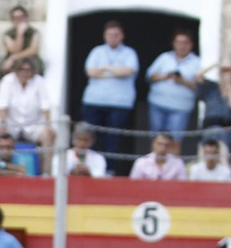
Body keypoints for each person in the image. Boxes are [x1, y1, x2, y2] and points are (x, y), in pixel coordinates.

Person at [81, 20, 138, 157]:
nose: (112, 38)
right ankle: (89, 165)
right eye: (109, 35)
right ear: (104, 36)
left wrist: (105, 68)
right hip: (94, 101)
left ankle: (109, 167)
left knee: (113, 139)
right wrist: (116, 72)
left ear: (122, 36)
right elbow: (90, 72)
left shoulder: (129, 53)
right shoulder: (97, 51)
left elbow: (128, 71)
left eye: (116, 35)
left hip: (119, 103)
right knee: (90, 137)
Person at [146, 30, 200, 135]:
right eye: (178, 42)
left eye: (185, 42)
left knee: (174, 139)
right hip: (157, 104)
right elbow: (149, 76)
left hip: (180, 107)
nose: (182, 46)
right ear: (173, 44)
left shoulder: (197, 62)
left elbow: (200, 87)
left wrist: (182, 81)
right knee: (157, 138)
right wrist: (165, 76)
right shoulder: (164, 57)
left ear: (191, 44)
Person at [0, 58, 53, 151]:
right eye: (22, 69)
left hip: (34, 124)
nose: (25, 73)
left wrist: (48, 125)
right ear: (16, 70)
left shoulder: (39, 81)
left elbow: (45, 104)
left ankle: (46, 161)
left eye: (28, 70)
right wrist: (3, 123)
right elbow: (2, 104)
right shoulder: (7, 80)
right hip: (11, 124)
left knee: (49, 135)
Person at [0, 4, 38, 77]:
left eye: (21, 17)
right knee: (6, 67)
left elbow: (33, 51)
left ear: (26, 18)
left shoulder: (34, 32)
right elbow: (15, 50)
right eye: (16, 18)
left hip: (29, 58)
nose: (19, 20)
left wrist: (14, 57)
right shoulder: (8, 34)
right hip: (13, 60)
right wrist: (20, 34)